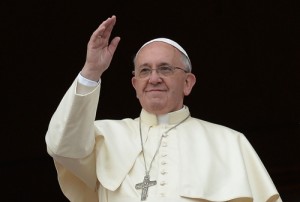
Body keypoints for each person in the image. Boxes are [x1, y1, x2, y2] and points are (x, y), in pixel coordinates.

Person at [45, 15, 282, 202]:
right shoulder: (104, 136)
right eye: (145, 71)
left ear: (188, 83)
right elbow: (61, 146)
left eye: (165, 69)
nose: (154, 78)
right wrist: (91, 71)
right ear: (135, 85)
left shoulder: (230, 142)